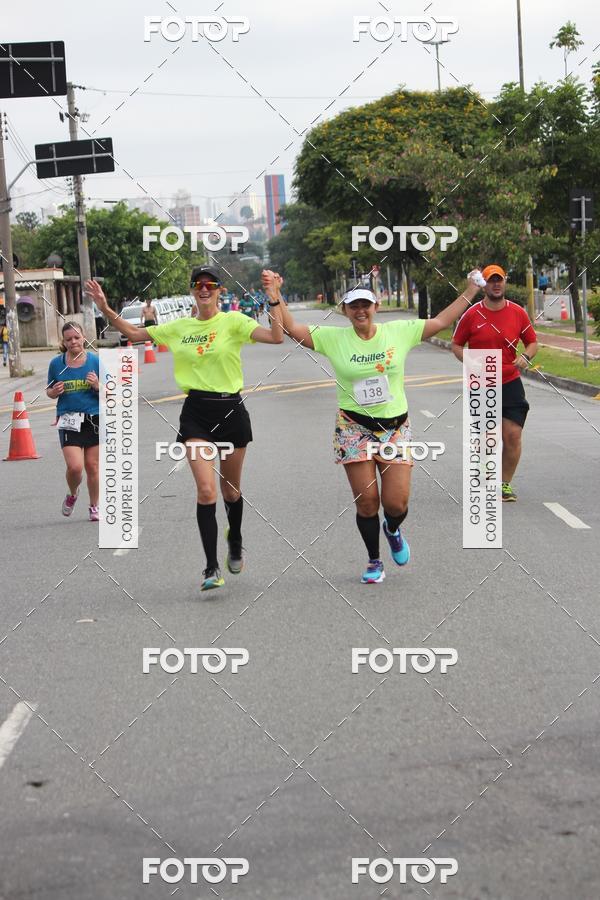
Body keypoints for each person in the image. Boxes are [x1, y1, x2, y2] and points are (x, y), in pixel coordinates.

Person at [263, 268, 483, 584]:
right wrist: (275, 295)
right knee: (367, 502)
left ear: (375, 307)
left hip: (394, 428)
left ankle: (392, 529)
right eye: (354, 306)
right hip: (354, 427)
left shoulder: (398, 332)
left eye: (366, 305)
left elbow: (441, 322)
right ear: (345, 311)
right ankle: (374, 560)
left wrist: (470, 290)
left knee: (396, 503)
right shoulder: (333, 338)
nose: (361, 311)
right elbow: (290, 327)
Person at [85, 266, 284, 592]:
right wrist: (105, 308)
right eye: (198, 284)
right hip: (197, 414)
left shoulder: (233, 322)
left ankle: (235, 539)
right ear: (193, 290)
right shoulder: (179, 327)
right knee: (206, 491)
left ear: (219, 290)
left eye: (210, 284)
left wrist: (274, 299)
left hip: (231, 410)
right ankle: (210, 567)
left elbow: (276, 337)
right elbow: (135, 336)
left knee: (230, 491)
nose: (204, 289)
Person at [451, 264, 538, 502]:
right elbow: (456, 344)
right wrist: (469, 361)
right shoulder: (472, 314)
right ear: (484, 285)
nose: (496, 284)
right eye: (491, 280)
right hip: (481, 383)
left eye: (499, 280)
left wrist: (526, 357)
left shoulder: (517, 312)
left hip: (510, 381)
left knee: (512, 435)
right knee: (488, 437)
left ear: (505, 282)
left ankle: (504, 484)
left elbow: (532, 342)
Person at [46, 321, 100, 521]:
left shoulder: (95, 361)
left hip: (94, 419)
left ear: (84, 337)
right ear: (64, 341)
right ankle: (72, 493)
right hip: (68, 419)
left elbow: (110, 391)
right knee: (75, 467)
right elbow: (49, 391)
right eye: (69, 339)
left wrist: (97, 385)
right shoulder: (56, 364)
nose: (73, 342)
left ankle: (94, 506)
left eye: (77, 337)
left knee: (92, 467)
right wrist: (54, 391)